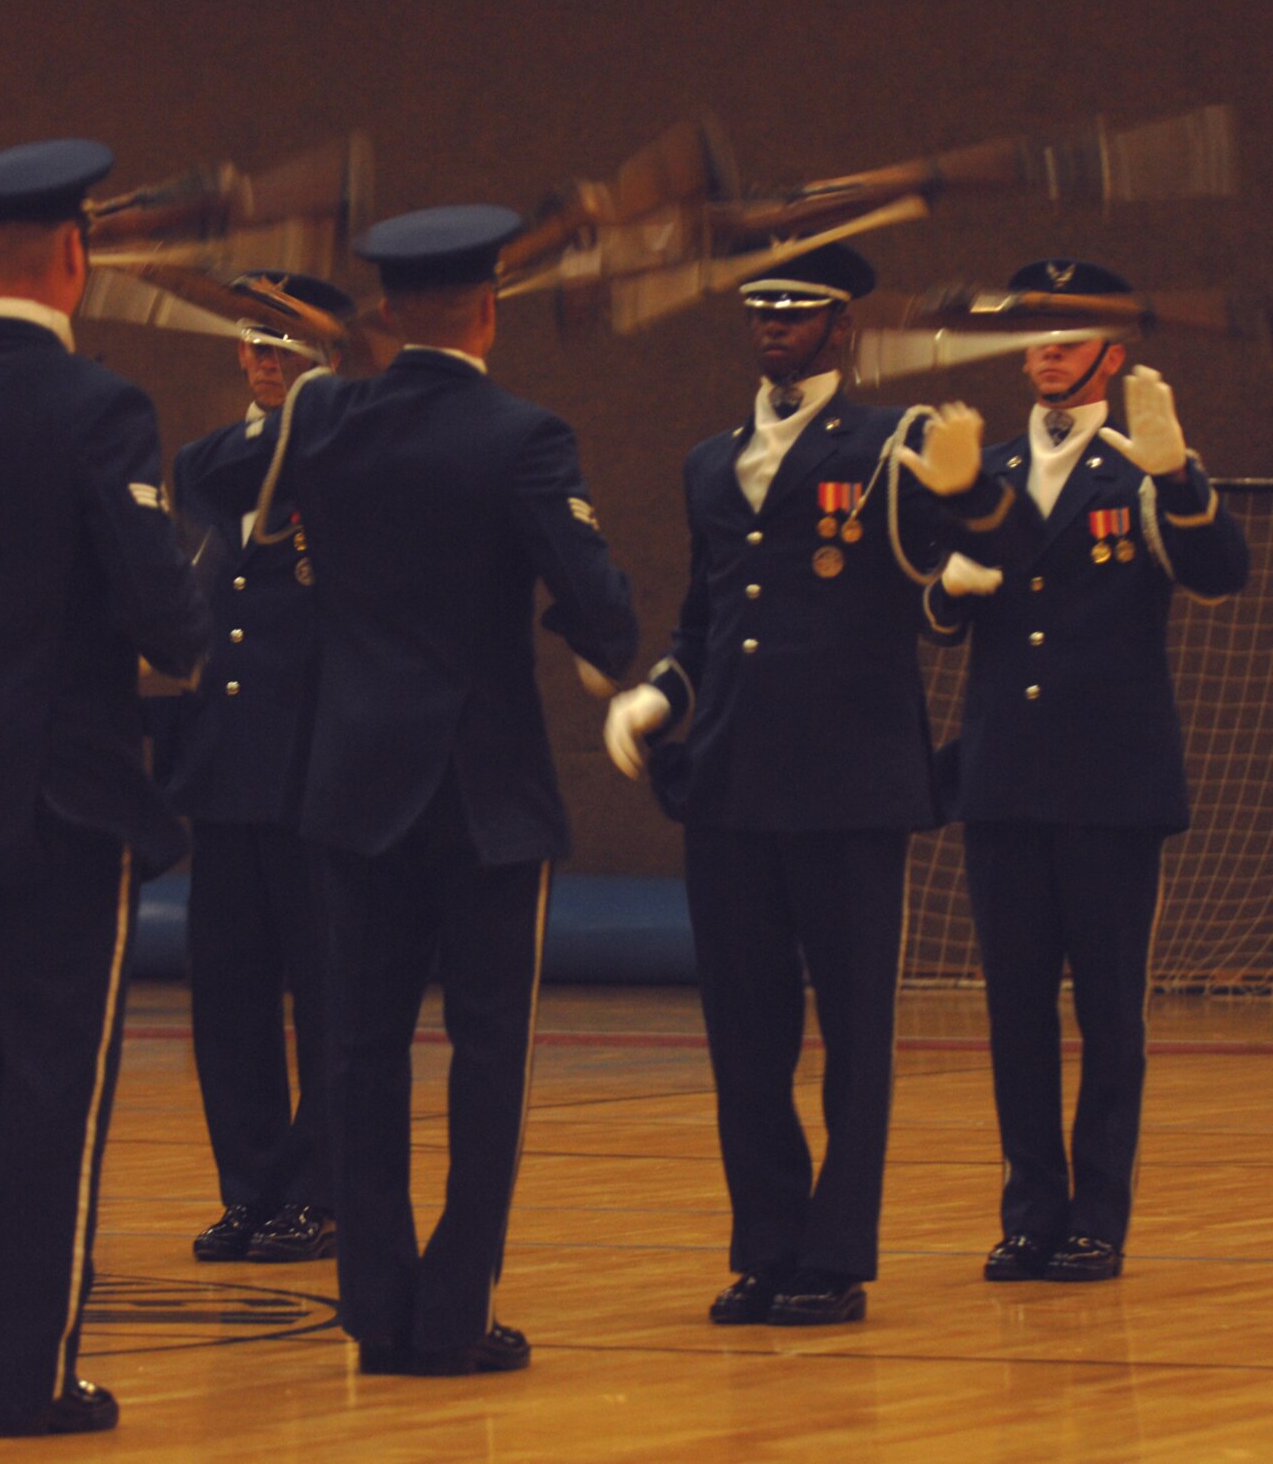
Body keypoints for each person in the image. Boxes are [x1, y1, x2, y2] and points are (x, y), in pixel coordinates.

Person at [605, 243, 1037, 1327]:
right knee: (743, 1033)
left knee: (853, 1034)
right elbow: (704, 622)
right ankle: (764, 1247)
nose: (773, 330)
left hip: (848, 785)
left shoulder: (892, 447)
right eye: (762, 314)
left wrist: (972, 492)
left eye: (795, 316)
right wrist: (658, 694)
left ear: (842, 329)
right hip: (731, 782)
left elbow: (1012, 552)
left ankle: (835, 1255)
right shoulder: (713, 460)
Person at [0, 139, 209, 1437]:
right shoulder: (99, 407)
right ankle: (33, 1376)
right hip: (57, 793)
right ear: (75, 257)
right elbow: (158, 613)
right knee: (48, 1091)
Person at [259, 204, 638, 1375]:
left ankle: (375, 1310)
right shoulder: (522, 434)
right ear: (488, 311)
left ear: (384, 311)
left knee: (357, 1054)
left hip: (351, 779)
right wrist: (588, 626)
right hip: (480, 791)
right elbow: (602, 613)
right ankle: (453, 1313)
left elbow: (258, 499)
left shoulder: (321, 421)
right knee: (488, 1060)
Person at [921, 260, 1249, 1283]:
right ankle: (1028, 1212)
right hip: (1004, 778)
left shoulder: (1137, 465)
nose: (1045, 349)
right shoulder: (992, 465)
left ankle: (1096, 1216)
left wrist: (1176, 478)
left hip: (1108, 786)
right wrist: (954, 571)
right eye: (1032, 333)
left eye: (1066, 333)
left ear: (1113, 353)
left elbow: (1218, 573)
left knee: (1108, 1012)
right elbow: (935, 622)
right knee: (1012, 1007)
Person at [157, 271, 354, 1267]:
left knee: (324, 1001)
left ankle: (319, 1195)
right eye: (256, 345)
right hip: (226, 770)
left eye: (287, 346)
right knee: (226, 1002)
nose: (268, 362)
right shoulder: (207, 464)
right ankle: (251, 1190)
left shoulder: (343, 453)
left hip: (314, 772)